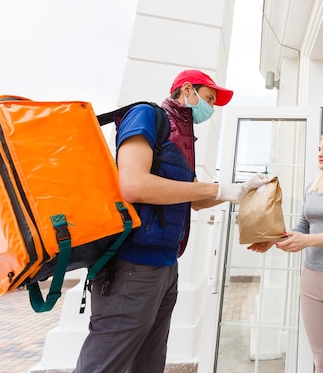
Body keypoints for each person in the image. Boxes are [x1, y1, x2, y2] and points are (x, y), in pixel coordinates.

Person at [74, 69, 269, 373]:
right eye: (209, 99)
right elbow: (134, 185)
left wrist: (239, 190)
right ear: (187, 90)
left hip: (165, 266)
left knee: (149, 363)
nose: (211, 109)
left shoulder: (182, 138)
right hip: (131, 266)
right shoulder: (147, 116)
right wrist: (219, 188)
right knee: (105, 364)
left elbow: (194, 199)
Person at [249, 130, 323, 373]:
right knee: (322, 361)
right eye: (318, 148)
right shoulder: (312, 187)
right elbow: (303, 227)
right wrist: (272, 240)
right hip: (311, 280)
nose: (320, 153)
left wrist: (307, 241)